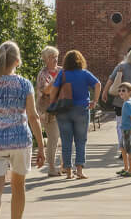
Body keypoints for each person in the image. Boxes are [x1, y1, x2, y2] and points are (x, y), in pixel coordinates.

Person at [0, 41, 45, 219]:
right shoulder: (24, 84)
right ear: (18, 61)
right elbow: (33, 116)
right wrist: (41, 146)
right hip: (20, 140)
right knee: (18, 186)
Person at [52, 49, 101, 179]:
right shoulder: (84, 73)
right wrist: (95, 101)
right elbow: (97, 84)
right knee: (80, 141)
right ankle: (79, 171)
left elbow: (54, 89)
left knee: (66, 141)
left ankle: (68, 172)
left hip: (63, 110)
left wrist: (52, 105)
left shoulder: (62, 74)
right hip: (81, 110)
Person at [35, 45, 62, 176]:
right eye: (52, 57)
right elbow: (46, 90)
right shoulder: (43, 74)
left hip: (63, 109)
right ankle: (51, 168)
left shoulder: (62, 70)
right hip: (47, 111)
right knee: (54, 138)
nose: (55, 59)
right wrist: (57, 80)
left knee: (64, 139)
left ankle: (63, 166)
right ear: (46, 60)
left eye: (56, 56)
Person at [116, 82, 131, 178]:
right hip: (124, 129)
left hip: (128, 131)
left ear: (130, 92)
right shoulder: (129, 102)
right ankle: (126, 168)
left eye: (123, 90)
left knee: (129, 150)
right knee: (122, 149)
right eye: (119, 91)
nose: (120, 92)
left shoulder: (128, 104)